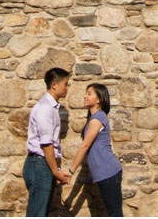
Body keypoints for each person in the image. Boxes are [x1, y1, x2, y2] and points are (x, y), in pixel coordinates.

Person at [67, 84, 123, 216]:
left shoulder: (98, 118)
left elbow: (85, 145)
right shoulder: (94, 119)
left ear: (99, 99)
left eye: (89, 93)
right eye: (86, 93)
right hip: (105, 173)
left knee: (115, 214)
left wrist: (71, 171)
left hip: (109, 171)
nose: (85, 96)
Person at [24, 67, 71, 216]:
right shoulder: (46, 109)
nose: (67, 88)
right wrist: (55, 172)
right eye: (66, 84)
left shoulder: (50, 107)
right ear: (55, 85)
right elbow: (46, 144)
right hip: (40, 164)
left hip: (42, 164)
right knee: (37, 214)